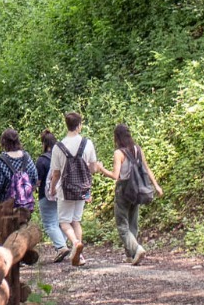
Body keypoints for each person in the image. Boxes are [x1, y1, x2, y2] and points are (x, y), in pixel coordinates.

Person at [48, 112, 112, 266]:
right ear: (79, 125)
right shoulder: (87, 143)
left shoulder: (58, 146)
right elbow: (93, 168)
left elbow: (56, 173)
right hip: (82, 188)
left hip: (65, 189)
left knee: (64, 222)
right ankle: (80, 256)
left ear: (67, 125)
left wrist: (52, 189)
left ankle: (76, 244)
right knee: (76, 221)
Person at [108, 123, 162, 265]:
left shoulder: (119, 153)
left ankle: (136, 249)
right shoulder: (138, 149)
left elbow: (115, 176)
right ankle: (130, 255)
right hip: (137, 190)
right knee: (133, 223)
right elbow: (147, 168)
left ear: (117, 138)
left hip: (124, 191)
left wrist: (101, 169)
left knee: (122, 225)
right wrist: (156, 186)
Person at [35, 130, 69, 261]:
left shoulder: (42, 160)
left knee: (50, 223)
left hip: (47, 194)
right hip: (63, 193)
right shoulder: (63, 156)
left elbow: (37, 181)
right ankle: (62, 245)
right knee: (62, 222)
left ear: (44, 143)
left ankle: (61, 247)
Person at [0, 128, 40, 219]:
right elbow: (35, 177)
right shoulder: (26, 156)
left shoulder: (2, 160)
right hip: (25, 206)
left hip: (6, 205)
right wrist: (25, 192)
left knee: (7, 230)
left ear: (4, 142)